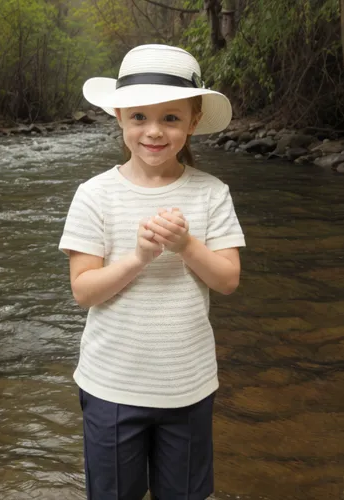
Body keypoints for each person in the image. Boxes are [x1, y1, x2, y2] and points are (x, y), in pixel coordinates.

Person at [59, 44, 246, 500]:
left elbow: (227, 280)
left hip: (188, 385)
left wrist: (184, 245)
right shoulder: (94, 194)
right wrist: (139, 257)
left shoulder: (211, 193)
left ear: (193, 122)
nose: (154, 132)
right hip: (111, 386)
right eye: (139, 117)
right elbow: (84, 291)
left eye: (171, 118)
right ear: (119, 117)